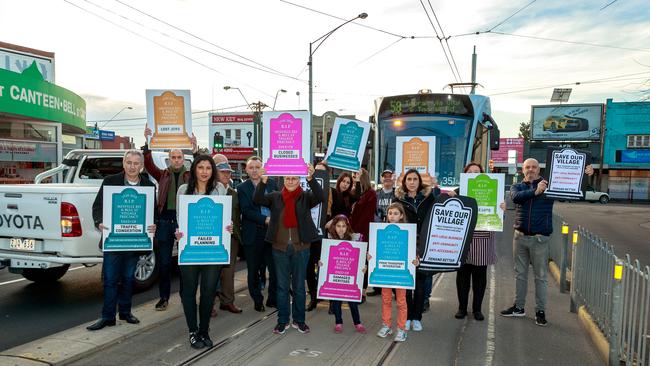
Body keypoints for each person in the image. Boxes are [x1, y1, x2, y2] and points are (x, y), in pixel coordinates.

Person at [501, 158, 593, 326]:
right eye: (527, 167)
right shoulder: (517, 187)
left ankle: (540, 311)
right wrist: (535, 192)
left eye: (534, 167)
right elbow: (516, 198)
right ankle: (519, 307)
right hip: (520, 237)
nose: (531, 169)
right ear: (523, 170)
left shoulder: (550, 185)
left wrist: (585, 176)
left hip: (540, 239)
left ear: (539, 169)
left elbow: (573, 191)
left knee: (541, 277)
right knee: (520, 275)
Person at [87, 150, 157, 331]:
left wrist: (153, 225)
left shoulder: (149, 186)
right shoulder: (110, 182)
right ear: (123, 163)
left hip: (134, 242)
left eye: (136, 163)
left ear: (141, 166)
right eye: (129, 162)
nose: (132, 166)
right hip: (114, 240)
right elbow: (97, 206)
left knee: (127, 279)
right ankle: (107, 316)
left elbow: (153, 214)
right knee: (110, 279)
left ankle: (125, 312)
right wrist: (99, 222)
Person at [254, 164, 324, 335]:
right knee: (282, 287)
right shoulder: (275, 197)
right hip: (280, 248)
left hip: (302, 248)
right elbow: (257, 199)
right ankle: (282, 320)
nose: (291, 181)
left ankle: (299, 321)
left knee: (299, 286)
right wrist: (262, 181)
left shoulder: (305, 197)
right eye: (287, 178)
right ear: (283, 180)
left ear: (298, 180)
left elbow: (321, 196)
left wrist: (310, 178)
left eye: (294, 178)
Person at [174, 154, 229, 349]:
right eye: (200, 167)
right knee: (188, 292)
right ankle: (192, 331)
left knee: (207, 292)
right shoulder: (183, 190)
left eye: (208, 168)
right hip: (190, 248)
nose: (204, 172)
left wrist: (227, 227)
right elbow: (180, 219)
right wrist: (178, 233)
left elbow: (224, 217)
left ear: (212, 170)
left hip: (213, 250)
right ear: (194, 170)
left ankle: (204, 330)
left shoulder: (219, 189)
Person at [142, 126, 196, 311]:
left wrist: (195, 149)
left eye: (179, 157)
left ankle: (184, 296)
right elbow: (148, 164)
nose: (176, 160)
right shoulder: (162, 174)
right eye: (173, 157)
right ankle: (163, 298)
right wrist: (147, 143)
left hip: (183, 222)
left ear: (183, 159)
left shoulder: (190, 176)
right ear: (169, 159)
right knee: (164, 263)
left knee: (184, 262)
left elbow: (201, 166)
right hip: (165, 221)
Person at [454, 163, 505, 321]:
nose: (474, 174)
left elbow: (500, 219)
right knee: (462, 276)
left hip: (483, 238)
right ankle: (462, 308)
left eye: (477, 172)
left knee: (480, 277)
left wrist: (502, 209)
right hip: (463, 238)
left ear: (482, 174)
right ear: (465, 174)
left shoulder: (493, 190)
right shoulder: (458, 192)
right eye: (470, 172)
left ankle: (477, 309)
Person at [394, 168, 436, 332]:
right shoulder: (398, 199)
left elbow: (440, 209)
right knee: (406, 284)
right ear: (404, 182)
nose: (412, 182)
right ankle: (407, 317)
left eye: (415, 179)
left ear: (419, 182)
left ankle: (417, 317)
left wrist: (448, 194)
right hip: (405, 245)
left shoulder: (428, 198)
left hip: (423, 244)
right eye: (409, 179)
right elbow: (391, 217)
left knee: (420, 283)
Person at [373, 203, 419, 342]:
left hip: (401, 274)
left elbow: (414, 251)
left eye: (395, 213)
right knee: (386, 299)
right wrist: (371, 256)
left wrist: (416, 260)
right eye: (390, 213)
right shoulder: (380, 230)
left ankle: (401, 328)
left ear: (401, 216)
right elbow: (376, 249)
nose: (392, 216)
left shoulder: (408, 231)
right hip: (385, 272)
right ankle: (386, 325)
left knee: (401, 301)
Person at [238, 156, 278, 312]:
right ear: (246, 170)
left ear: (263, 168)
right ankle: (257, 300)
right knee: (253, 271)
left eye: (257, 167)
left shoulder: (273, 183)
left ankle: (272, 299)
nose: (255, 170)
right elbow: (246, 211)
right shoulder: (242, 188)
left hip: (271, 234)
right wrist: (265, 219)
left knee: (274, 270)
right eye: (251, 167)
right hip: (252, 234)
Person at [321, 214, 367, 334]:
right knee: (336, 300)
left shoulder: (354, 240)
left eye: (343, 226)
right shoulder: (330, 241)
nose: (341, 229)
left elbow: (360, 259)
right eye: (338, 226)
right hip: (336, 277)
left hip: (350, 277)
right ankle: (338, 322)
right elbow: (325, 259)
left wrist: (363, 267)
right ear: (334, 227)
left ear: (347, 227)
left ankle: (357, 322)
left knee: (352, 301)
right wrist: (321, 263)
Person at [212, 160, 243, 315]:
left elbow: (239, 215)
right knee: (211, 271)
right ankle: (209, 303)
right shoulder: (210, 192)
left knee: (229, 272)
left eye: (228, 172)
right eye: (222, 172)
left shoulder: (234, 193)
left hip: (231, 237)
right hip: (212, 238)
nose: (226, 174)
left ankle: (227, 301)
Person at [350, 168, 376, 301]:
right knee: (354, 262)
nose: (354, 177)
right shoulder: (353, 192)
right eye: (353, 174)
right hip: (352, 231)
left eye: (357, 174)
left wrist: (358, 233)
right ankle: (354, 288)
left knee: (363, 262)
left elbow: (366, 215)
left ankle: (363, 291)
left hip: (363, 232)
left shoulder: (371, 193)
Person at [306, 161, 329, 312]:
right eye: (316, 170)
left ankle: (329, 296)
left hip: (325, 235)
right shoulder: (304, 187)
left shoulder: (332, 191)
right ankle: (314, 297)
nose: (317, 173)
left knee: (324, 268)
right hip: (309, 236)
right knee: (309, 268)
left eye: (321, 171)